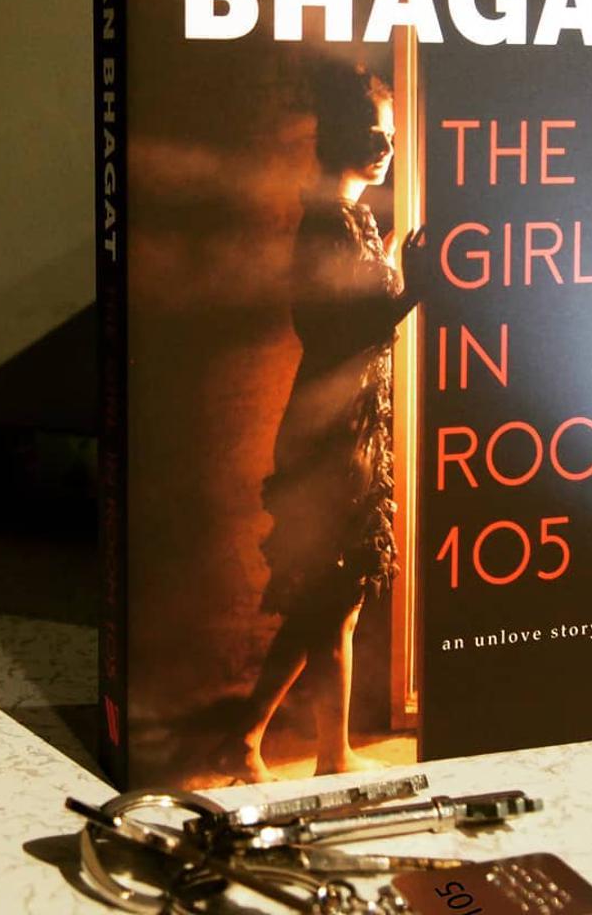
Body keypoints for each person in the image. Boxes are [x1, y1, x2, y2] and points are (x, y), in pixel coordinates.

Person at [224, 62, 429, 781]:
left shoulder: (352, 217)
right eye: (371, 131)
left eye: (390, 135)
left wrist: (395, 266)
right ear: (335, 132)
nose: (384, 147)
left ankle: (251, 740)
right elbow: (333, 330)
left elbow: (354, 319)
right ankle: (324, 755)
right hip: (331, 434)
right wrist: (414, 290)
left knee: (327, 602)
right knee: (332, 596)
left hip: (351, 427)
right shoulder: (329, 219)